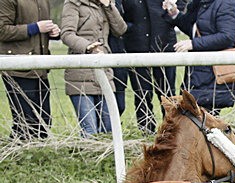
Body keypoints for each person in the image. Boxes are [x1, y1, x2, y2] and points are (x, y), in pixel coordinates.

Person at [60, 0, 127, 136]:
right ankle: (90, 150)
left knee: (109, 129)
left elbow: (120, 29)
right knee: (89, 130)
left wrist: (109, 6)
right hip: (81, 73)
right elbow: (67, 34)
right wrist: (87, 46)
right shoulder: (73, 3)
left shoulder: (105, 5)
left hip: (104, 71)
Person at [163, 0, 235, 114]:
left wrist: (193, 44)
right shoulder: (199, 3)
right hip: (199, 72)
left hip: (214, 73)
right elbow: (193, 29)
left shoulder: (226, 4)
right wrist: (174, 13)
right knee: (196, 116)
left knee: (204, 117)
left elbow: (227, 36)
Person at [122, 0, 186, 134]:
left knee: (167, 92)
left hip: (164, 42)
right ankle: (146, 131)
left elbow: (180, 2)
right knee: (141, 92)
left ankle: (170, 132)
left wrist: (170, 15)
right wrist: (129, 27)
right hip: (136, 43)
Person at [0, 0, 60, 140]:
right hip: (17, 68)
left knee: (44, 123)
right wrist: (34, 28)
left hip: (41, 68)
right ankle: (17, 152)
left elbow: (41, 30)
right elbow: (2, 31)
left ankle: (31, 152)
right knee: (26, 123)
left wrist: (54, 32)